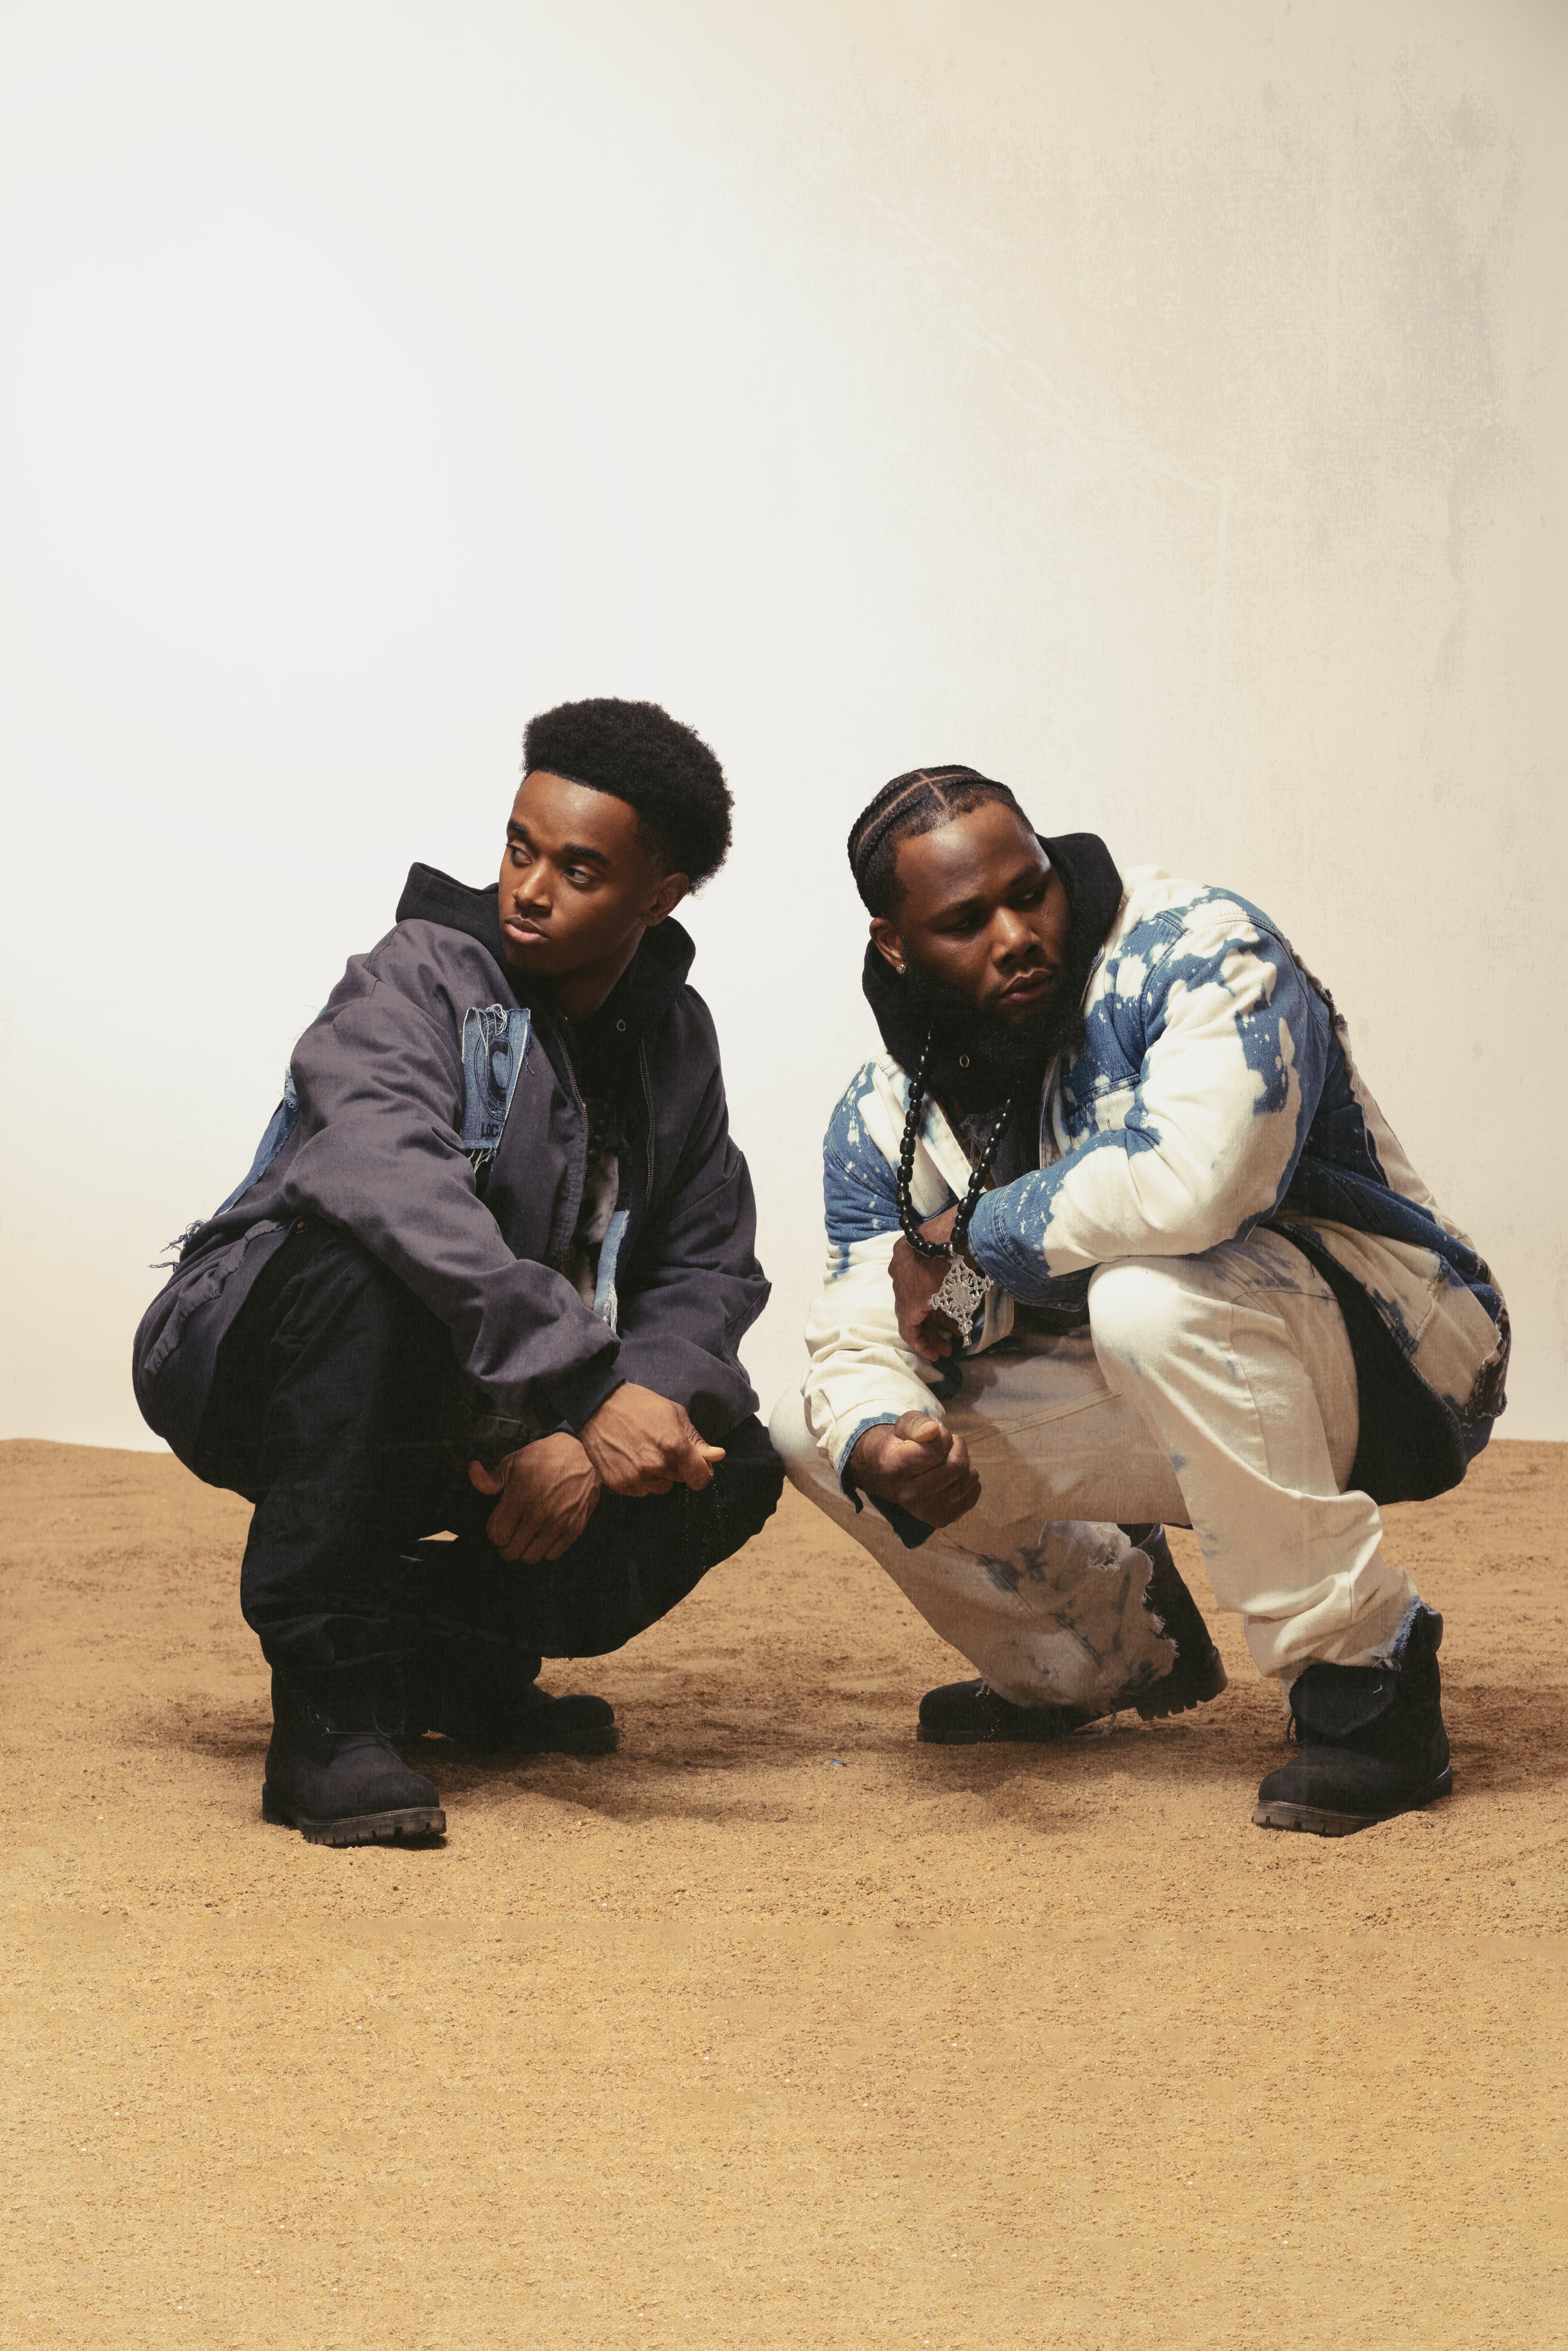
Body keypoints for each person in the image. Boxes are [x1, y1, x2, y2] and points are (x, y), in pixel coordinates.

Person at [771, 767, 1508, 1836]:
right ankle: (1102, 1646)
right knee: (819, 1427)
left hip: (1395, 1345)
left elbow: (1201, 1181)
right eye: (967, 922)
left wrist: (973, 1233)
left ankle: (1366, 1680)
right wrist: (887, 1431)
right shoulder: (890, 1106)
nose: (1018, 937)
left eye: (1030, 891)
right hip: (1167, 1372)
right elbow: (871, 1311)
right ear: (894, 943)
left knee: (1146, 1294)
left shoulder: (1199, 948)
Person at [135, 698, 783, 1847]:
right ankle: (327, 1713)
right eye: (519, 848)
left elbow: (707, 1264)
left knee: (726, 1463)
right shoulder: (418, 975)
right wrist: (576, 1389)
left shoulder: (678, 1040)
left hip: (497, 1400)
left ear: (661, 895)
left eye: (578, 869)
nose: (527, 888)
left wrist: (601, 1422)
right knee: (363, 1272)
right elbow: (382, 1178)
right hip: (263, 1355)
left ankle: (452, 1666)